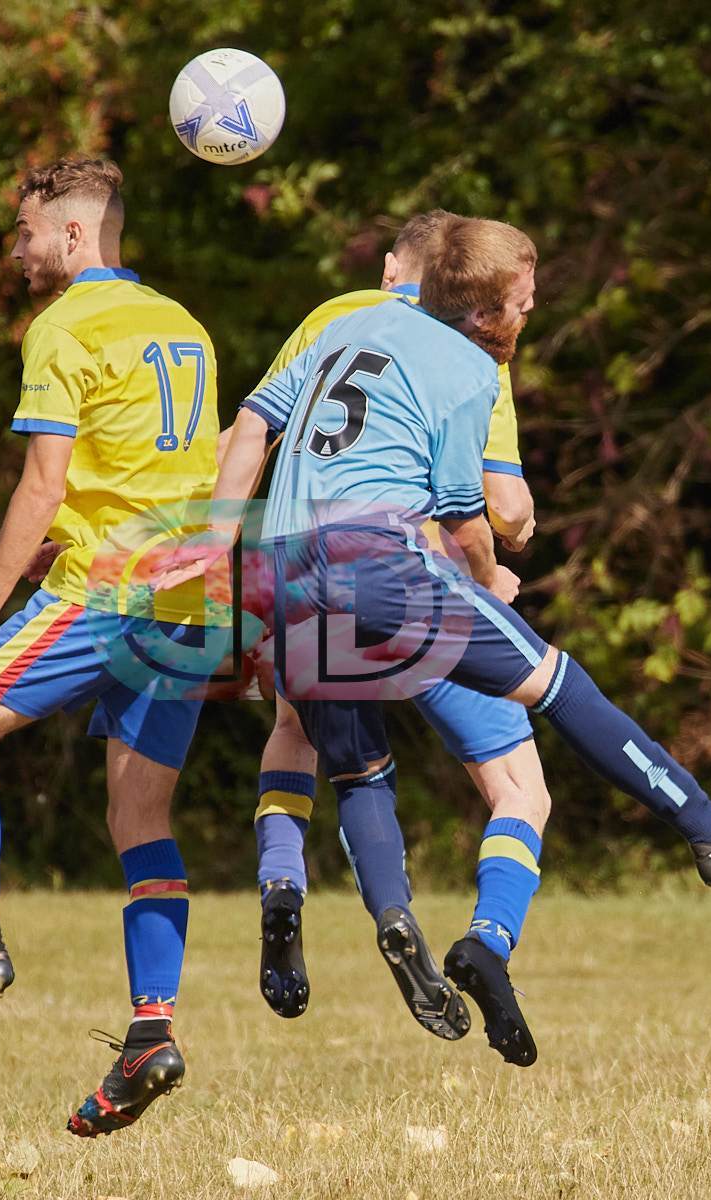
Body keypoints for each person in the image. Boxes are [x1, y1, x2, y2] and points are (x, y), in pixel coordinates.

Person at [158, 213, 711, 1068]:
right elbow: (469, 516)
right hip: (376, 561)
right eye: (523, 302)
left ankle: (379, 913)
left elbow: (252, 425)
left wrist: (215, 546)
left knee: (356, 769)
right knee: (558, 683)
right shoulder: (470, 368)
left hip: (281, 569)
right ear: (481, 310)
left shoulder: (347, 325)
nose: (530, 314)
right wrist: (484, 580)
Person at [0, 157, 224, 1137]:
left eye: (24, 233)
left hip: (111, 588)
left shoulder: (63, 328)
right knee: (139, 815)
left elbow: (40, 485)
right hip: (196, 594)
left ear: (73, 234)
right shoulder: (182, 324)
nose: (14, 251)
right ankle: (151, 1033)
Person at [239, 212, 550, 1049]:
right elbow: (501, 502)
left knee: (298, 733)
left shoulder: (331, 320)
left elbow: (254, 432)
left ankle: (283, 887)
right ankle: (489, 939)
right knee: (519, 788)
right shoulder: (474, 347)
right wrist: (509, 542)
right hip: (423, 589)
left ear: (389, 268)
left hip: (306, 572)